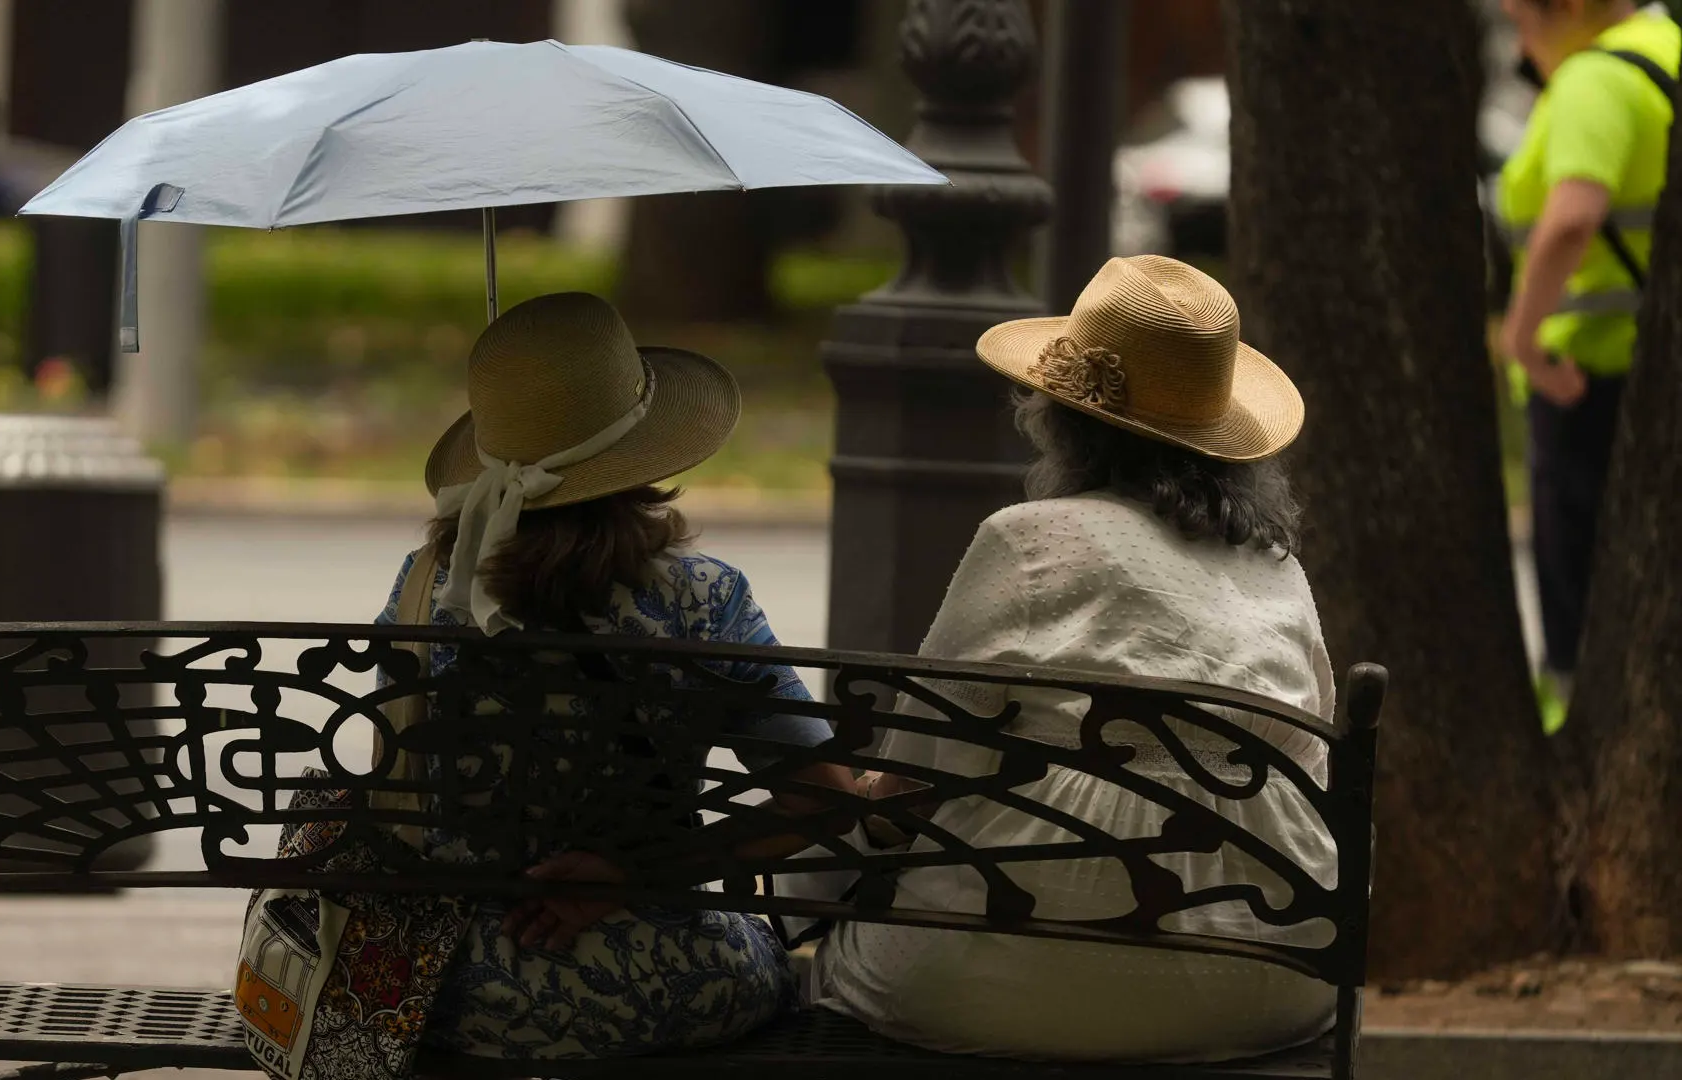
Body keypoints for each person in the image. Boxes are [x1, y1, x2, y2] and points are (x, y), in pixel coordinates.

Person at [246, 292, 853, 1074]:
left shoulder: (426, 583)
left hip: (442, 989)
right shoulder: (704, 598)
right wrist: (630, 874)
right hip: (669, 981)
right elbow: (823, 796)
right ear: (643, 446)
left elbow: (403, 786)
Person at [809, 256, 1338, 1063]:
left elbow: (913, 779)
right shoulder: (1278, 571)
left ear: (1062, 418)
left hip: (1016, 974)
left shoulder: (1029, 543)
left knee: (839, 955)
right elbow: (1309, 771)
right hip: (1269, 975)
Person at [1496, 0, 1678, 732]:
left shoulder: (1594, 80)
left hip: (1587, 380)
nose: (1519, 40)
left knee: (1579, 592)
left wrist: (1522, 338)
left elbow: (1573, 217)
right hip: (1651, 372)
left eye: (1520, 19)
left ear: (1566, 9)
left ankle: (1571, 733)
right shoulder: (1667, 46)